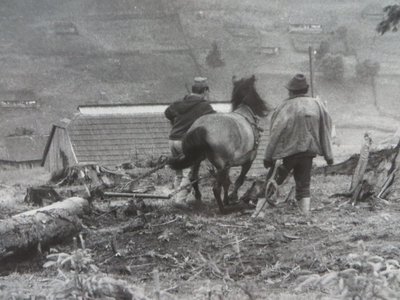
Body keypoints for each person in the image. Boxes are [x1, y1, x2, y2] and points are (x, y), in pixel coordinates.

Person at [263, 74, 333, 215]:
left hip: (288, 154)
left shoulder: (285, 106)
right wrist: (328, 156)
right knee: (304, 184)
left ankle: (259, 212)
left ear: (291, 91)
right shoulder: (317, 105)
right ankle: (304, 214)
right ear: (305, 89)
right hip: (308, 153)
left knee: (272, 181)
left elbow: (275, 133)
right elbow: (325, 130)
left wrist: (268, 157)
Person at [164, 77, 216, 204]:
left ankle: (175, 197)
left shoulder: (180, 102)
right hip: (186, 143)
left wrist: (175, 123)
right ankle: (180, 201)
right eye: (207, 92)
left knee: (179, 172)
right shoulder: (204, 106)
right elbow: (215, 119)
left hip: (172, 139)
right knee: (189, 173)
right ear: (204, 91)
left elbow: (167, 113)